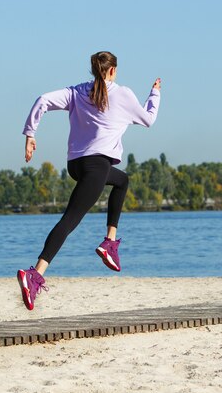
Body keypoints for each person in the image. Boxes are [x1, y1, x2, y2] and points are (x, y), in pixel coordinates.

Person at [17, 51, 161, 310]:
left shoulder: (77, 92)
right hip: (97, 165)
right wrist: (155, 94)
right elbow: (149, 120)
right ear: (113, 70)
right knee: (69, 220)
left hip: (77, 165)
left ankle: (110, 242)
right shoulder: (123, 94)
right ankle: (35, 273)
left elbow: (43, 100)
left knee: (122, 181)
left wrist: (30, 133)